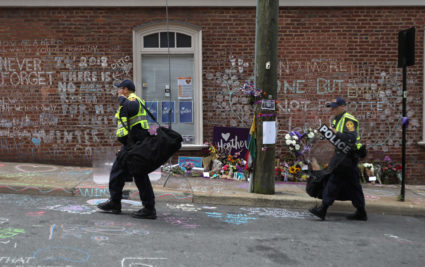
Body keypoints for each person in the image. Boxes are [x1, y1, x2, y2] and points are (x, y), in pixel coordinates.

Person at [97, 79, 157, 219]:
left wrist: (122, 100)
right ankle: (115, 203)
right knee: (118, 172)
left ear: (126, 89)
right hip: (131, 145)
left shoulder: (133, 99)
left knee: (139, 175)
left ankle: (148, 209)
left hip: (136, 145)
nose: (118, 91)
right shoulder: (129, 100)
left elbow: (132, 108)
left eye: (120, 88)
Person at [309, 97, 367, 221]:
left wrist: (335, 133)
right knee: (353, 185)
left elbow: (351, 138)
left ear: (343, 107)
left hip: (348, 155)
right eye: (331, 107)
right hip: (344, 156)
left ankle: (322, 209)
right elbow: (338, 137)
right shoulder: (337, 119)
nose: (332, 109)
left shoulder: (349, 120)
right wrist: (328, 134)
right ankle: (361, 212)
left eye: (335, 107)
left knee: (334, 180)